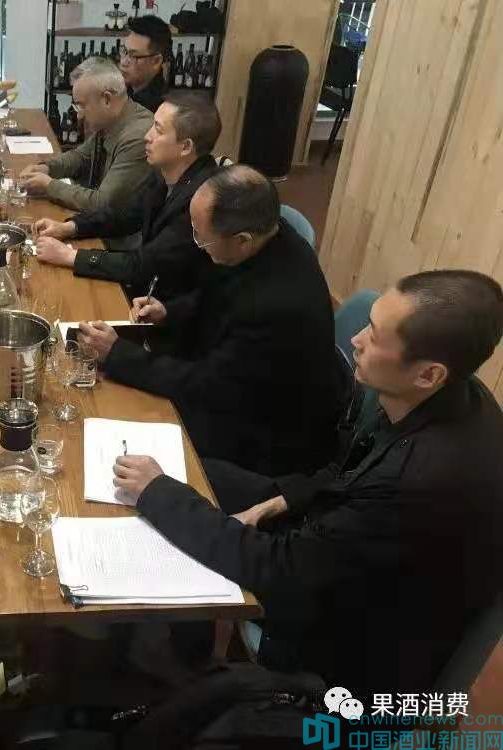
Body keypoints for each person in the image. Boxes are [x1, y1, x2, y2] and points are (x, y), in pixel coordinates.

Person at [112, 269, 503, 697]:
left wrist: (157, 492)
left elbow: (280, 569)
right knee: (200, 475)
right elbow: (351, 471)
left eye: (374, 336)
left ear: (428, 374)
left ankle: (173, 665)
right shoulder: (454, 395)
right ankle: (187, 647)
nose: (355, 340)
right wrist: (280, 500)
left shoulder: (419, 483)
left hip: (351, 645)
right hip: (346, 538)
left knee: (168, 506)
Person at [77, 165, 342, 476]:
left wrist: (118, 354)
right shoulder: (265, 233)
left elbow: (207, 385)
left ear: (242, 241)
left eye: (201, 237)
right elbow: (215, 293)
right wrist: (169, 311)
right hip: (233, 378)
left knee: (117, 422)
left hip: (267, 434)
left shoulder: (274, 307)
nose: (195, 241)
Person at [33, 91, 220, 301]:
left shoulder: (202, 199)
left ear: (185, 147)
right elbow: (125, 215)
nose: (147, 136)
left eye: (158, 130)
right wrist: (70, 227)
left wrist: (69, 256)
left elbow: (144, 265)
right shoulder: (166, 172)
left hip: (168, 306)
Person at [18, 57, 152, 217]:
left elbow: (102, 203)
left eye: (81, 105)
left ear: (107, 99)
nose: (79, 115)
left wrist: (49, 186)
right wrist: (47, 168)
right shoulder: (111, 121)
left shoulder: (137, 136)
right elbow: (80, 156)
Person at [120, 15, 171, 113]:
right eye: (124, 51)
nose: (123, 62)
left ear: (156, 61)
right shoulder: (124, 91)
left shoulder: (160, 111)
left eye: (133, 55)